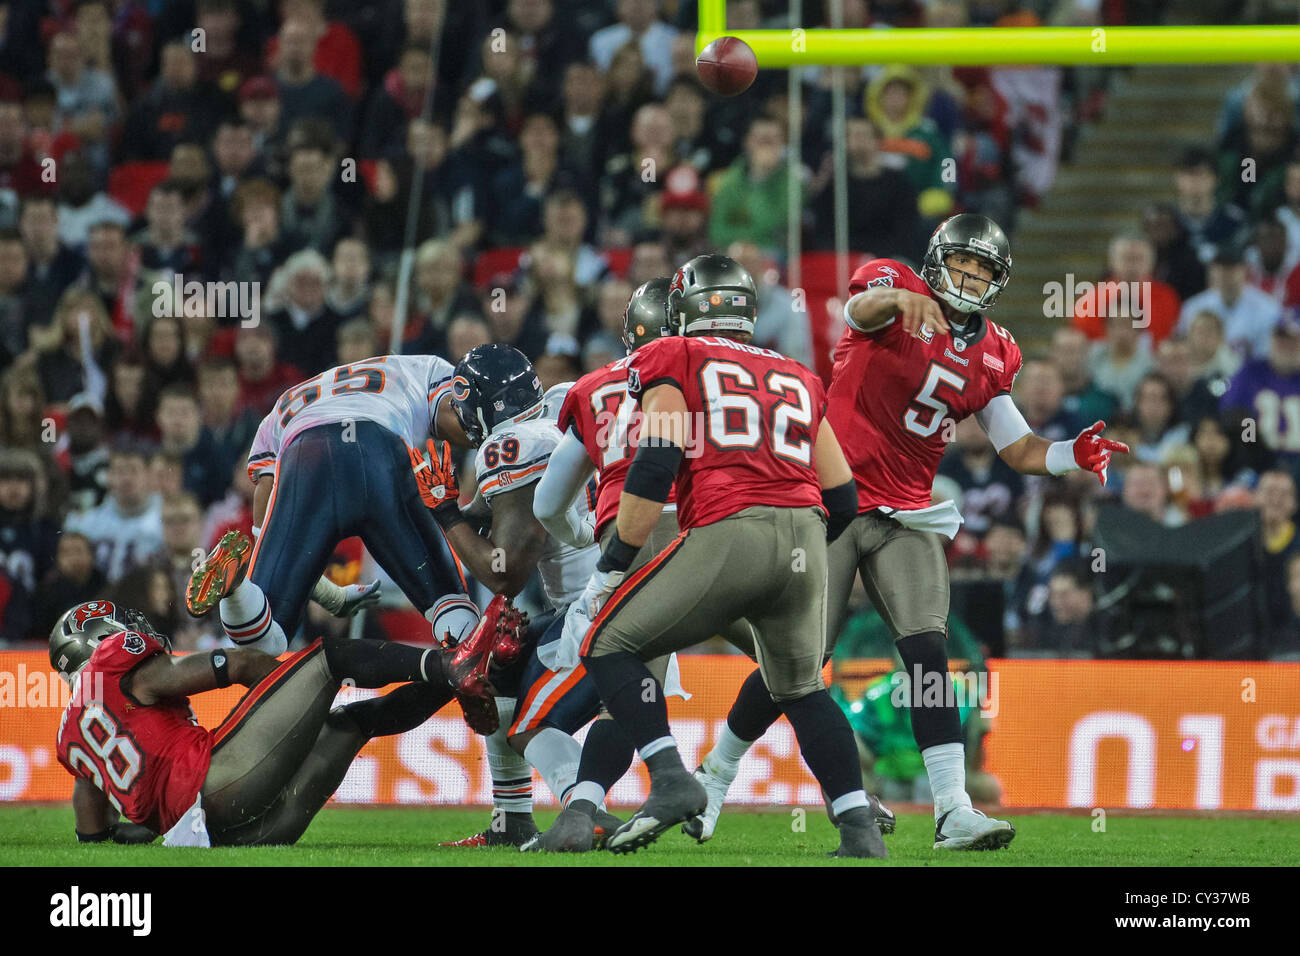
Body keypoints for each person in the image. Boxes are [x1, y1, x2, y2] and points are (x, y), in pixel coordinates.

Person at [692, 215, 1128, 850]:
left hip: (908, 512)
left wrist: (1069, 455)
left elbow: (1020, 448)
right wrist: (901, 298)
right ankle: (715, 775)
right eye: (964, 263)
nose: (971, 276)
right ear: (935, 260)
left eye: (985, 269)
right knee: (802, 657)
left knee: (928, 654)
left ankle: (951, 809)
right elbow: (861, 310)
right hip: (833, 497)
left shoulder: (994, 350)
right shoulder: (892, 284)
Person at [568, 254, 888, 858]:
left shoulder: (674, 354)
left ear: (682, 309)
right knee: (800, 689)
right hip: (805, 540)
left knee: (607, 644)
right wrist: (799, 548)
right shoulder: (799, 374)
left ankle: (669, 781)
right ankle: (858, 828)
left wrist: (612, 566)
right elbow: (843, 496)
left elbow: (656, 463)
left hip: (728, 530)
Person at [419, 344, 661, 848]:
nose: (460, 416)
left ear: (484, 402)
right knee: (495, 677)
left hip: (595, 611)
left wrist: (443, 513)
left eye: (465, 401)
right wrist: (449, 510)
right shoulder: (553, 410)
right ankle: (513, 821)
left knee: (526, 725)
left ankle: (585, 810)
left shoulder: (510, 446)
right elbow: (495, 513)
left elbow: (504, 572)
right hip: (619, 597)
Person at [51, 597, 519, 847]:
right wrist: (295, 692)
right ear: (99, 639)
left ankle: (477, 671)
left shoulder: (69, 735)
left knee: (353, 723)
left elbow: (93, 830)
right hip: (222, 783)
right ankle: (449, 665)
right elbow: (230, 666)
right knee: (327, 659)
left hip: (228, 836)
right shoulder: (113, 663)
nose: (135, 629)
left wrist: (145, 826)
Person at [185, 353, 474, 658]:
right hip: (378, 448)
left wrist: (328, 594)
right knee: (448, 600)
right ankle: (472, 678)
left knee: (263, 640)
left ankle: (236, 589)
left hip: (305, 456)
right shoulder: (419, 366)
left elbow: (265, 499)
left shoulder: (283, 403)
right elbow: (455, 418)